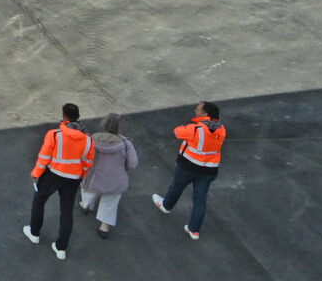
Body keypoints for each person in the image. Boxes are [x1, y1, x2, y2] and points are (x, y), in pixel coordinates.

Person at [25, 103, 92, 259]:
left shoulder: (55, 135)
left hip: (52, 175)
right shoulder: (88, 140)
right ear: (78, 117)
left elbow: (44, 157)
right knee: (67, 212)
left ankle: (34, 233)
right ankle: (61, 248)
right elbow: (88, 162)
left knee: (39, 200)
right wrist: (80, 176)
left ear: (64, 116)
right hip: (73, 179)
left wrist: (36, 173)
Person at [153, 101, 226, 240]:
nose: (195, 110)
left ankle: (166, 206)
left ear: (204, 114)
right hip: (209, 171)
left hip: (188, 167)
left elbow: (177, 132)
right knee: (200, 199)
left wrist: (185, 126)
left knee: (176, 187)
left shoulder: (195, 129)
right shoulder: (221, 130)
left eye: (197, 109)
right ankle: (194, 230)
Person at [77, 113, 138, 238]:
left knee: (88, 190)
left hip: (94, 176)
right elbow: (133, 163)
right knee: (110, 202)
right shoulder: (126, 144)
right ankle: (104, 227)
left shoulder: (93, 138)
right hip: (115, 180)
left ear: (105, 124)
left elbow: (83, 156)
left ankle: (86, 205)